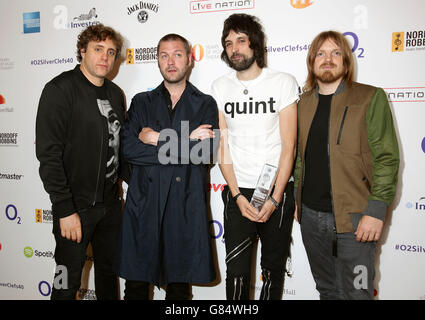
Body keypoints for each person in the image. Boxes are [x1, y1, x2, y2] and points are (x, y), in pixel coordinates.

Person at [294, 30, 400, 300]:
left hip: (357, 221)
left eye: (335, 53)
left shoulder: (369, 98)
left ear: (346, 61)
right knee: (327, 291)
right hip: (311, 219)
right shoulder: (301, 103)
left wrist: (376, 211)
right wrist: (297, 204)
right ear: (311, 61)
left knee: (358, 292)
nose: (327, 59)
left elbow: (387, 158)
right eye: (321, 53)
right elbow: (298, 159)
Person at [117, 33, 218, 300]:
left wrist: (155, 138)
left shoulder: (205, 103)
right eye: (164, 55)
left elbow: (204, 152)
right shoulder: (141, 102)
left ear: (190, 59)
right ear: (157, 61)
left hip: (183, 206)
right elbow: (129, 150)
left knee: (179, 291)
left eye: (177, 54)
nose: (170, 61)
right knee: (136, 288)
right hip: (144, 204)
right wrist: (186, 139)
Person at [36, 24, 129, 300]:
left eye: (111, 52)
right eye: (98, 49)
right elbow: (48, 155)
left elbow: (118, 148)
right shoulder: (60, 89)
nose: (105, 58)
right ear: (82, 51)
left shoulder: (115, 94)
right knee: (65, 282)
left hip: (111, 208)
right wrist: (64, 209)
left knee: (109, 279)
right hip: (74, 209)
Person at [211, 13, 298, 300]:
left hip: (277, 190)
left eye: (241, 40)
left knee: (272, 272)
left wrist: (275, 198)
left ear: (255, 44)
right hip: (238, 193)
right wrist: (236, 195)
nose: (234, 48)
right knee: (236, 275)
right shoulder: (220, 87)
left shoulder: (283, 82)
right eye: (228, 43)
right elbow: (222, 147)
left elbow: (289, 146)